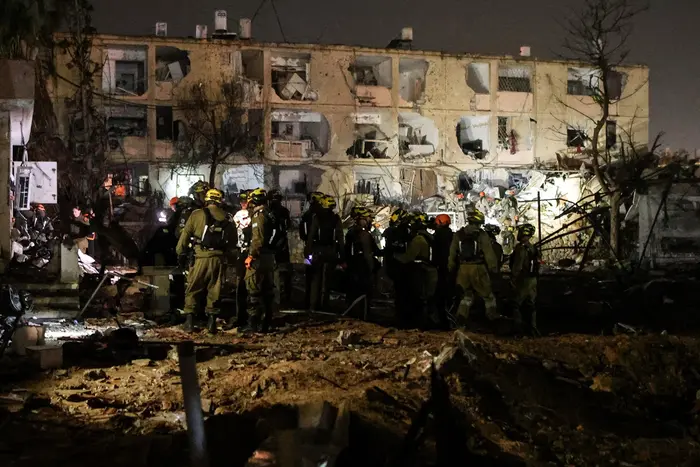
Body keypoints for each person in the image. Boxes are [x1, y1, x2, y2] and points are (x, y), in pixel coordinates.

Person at [176, 188, 234, 334]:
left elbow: (184, 237)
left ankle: (189, 322)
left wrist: (180, 253)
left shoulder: (196, 214)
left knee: (193, 288)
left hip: (200, 258)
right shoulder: (228, 217)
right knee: (215, 290)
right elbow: (233, 242)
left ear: (207, 200)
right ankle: (211, 323)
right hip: (219, 259)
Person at [448, 209, 500, 326]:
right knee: (488, 296)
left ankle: (460, 320)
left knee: (466, 296)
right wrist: (493, 268)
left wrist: (451, 266)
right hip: (478, 268)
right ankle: (493, 319)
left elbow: (452, 253)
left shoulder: (459, 234)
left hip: (463, 269)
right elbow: (488, 253)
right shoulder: (481, 234)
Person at [244, 188, 278, 332]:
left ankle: (253, 324)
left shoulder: (259, 215)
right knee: (267, 290)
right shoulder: (270, 213)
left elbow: (258, 239)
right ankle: (267, 322)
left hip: (259, 257)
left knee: (253, 290)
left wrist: (251, 255)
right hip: (269, 256)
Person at [395, 212, 437, 329]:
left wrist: (394, 256)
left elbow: (408, 257)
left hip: (423, 272)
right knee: (427, 299)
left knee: (419, 299)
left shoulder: (418, 239)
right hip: (431, 270)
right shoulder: (429, 237)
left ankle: (419, 324)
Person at [306, 195, 344, 313]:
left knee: (315, 279)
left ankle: (313, 305)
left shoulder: (316, 217)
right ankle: (324, 304)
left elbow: (311, 236)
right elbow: (340, 237)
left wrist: (308, 252)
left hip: (317, 251)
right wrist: (342, 255)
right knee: (327, 279)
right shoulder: (336, 218)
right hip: (330, 251)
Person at [224, 190, 252, 329]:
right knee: (246, 283)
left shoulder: (245, 215)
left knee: (245, 284)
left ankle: (245, 316)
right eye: (242, 201)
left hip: (245, 252)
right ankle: (247, 315)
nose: (243, 203)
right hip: (246, 251)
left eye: (244, 201)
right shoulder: (243, 215)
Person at [344, 207, 377, 315]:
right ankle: (363, 316)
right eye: (367, 219)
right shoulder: (364, 235)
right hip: (362, 268)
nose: (370, 221)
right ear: (361, 219)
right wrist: (372, 268)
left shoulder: (350, 232)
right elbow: (368, 253)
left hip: (352, 267)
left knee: (352, 293)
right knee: (364, 293)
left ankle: (352, 314)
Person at [382, 208, 412, 325]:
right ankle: (403, 318)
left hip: (394, 266)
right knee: (402, 293)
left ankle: (401, 316)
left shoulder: (391, 232)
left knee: (400, 293)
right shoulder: (402, 232)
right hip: (400, 267)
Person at [510, 224, 540, 335]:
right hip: (533, 280)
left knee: (516, 304)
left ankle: (518, 330)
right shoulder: (533, 248)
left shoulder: (521, 248)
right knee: (531, 305)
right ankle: (533, 329)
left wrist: (513, 279)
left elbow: (517, 266)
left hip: (523, 280)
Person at [300, 191, 324, 309]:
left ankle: (307, 301)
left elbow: (302, 233)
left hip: (308, 250)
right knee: (317, 276)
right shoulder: (320, 216)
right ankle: (315, 303)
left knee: (309, 274)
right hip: (317, 250)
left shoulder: (307, 215)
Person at [269, 190, 292, 307]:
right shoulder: (284, 211)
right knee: (284, 273)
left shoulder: (269, 212)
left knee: (275, 274)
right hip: (282, 247)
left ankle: (277, 300)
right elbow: (288, 226)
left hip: (274, 248)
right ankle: (285, 298)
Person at [432, 214, 454, 329]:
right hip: (450, 267)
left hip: (440, 268)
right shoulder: (451, 235)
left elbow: (435, 253)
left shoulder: (438, 236)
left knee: (439, 295)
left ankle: (442, 321)